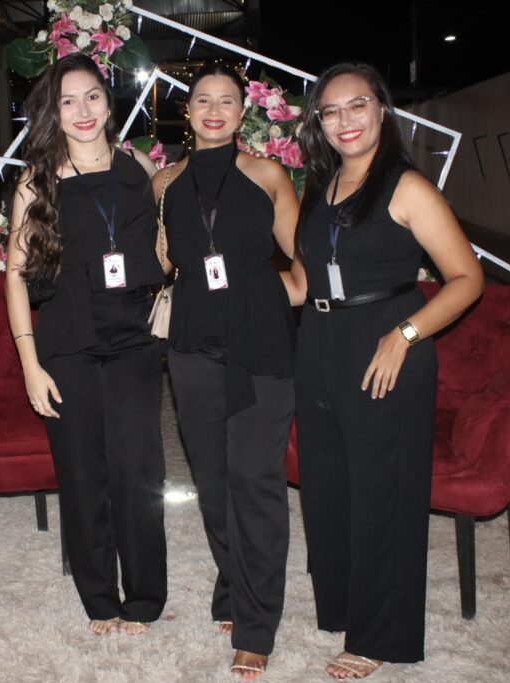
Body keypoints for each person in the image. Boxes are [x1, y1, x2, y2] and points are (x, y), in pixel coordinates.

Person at [280, 62, 484, 679]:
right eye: (331, 111)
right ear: (318, 122)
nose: (345, 120)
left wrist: (405, 335)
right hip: (319, 344)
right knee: (327, 489)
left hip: (386, 346)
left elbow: (467, 279)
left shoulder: (407, 186)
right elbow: (304, 282)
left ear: (381, 111)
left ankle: (379, 637)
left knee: (381, 495)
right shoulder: (321, 185)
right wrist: (235, 287)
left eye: (357, 105)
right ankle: (345, 607)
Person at [4, 53, 167, 636]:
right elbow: (15, 278)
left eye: (92, 96)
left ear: (108, 100)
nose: (82, 111)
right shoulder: (36, 181)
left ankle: (144, 597)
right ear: (54, 111)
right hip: (67, 339)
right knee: (81, 473)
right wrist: (29, 364)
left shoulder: (139, 166)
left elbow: (162, 244)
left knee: (136, 469)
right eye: (67, 101)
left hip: (133, 338)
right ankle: (99, 598)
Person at [152, 63, 299, 679]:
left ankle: (256, 625)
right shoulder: (164, 182)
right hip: (191, 347)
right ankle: (234, 585)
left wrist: (270, 298)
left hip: (261, 345)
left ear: (243, 113)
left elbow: (304, 261)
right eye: (203, 100)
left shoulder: (267, 175)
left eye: (228, 101)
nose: (214, 111)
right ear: (187, 112)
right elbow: (165, 261)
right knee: (213, 482)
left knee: (255, 481)